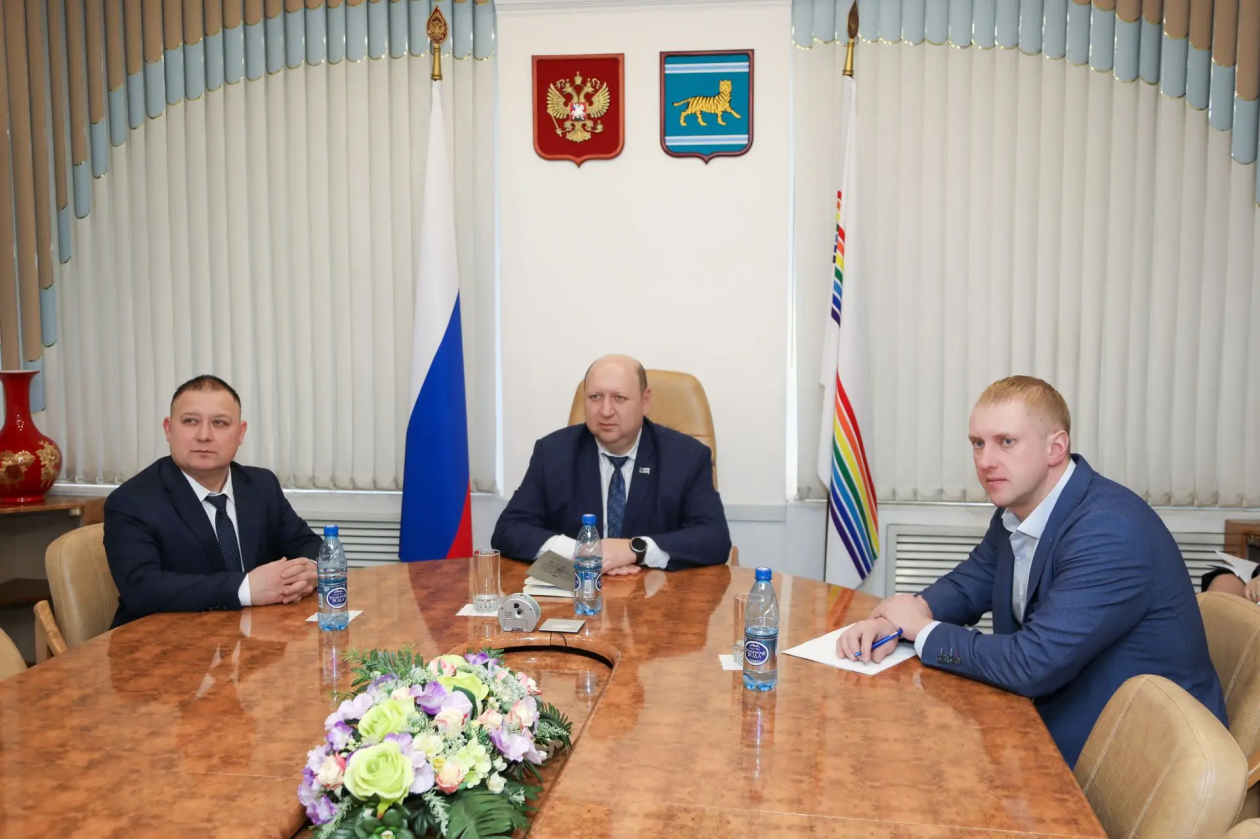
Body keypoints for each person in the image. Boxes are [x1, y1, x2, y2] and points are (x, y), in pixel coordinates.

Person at [837, 376, 1227, 767]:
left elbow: (1031, 664)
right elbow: (970, 585)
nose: (986, 461)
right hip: (1064, 717)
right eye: (978, 443)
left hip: (1142, 755)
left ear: (1056, 447)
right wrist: (897, 620)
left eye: (1006, 442)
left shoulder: (1110, 530)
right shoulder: (1018, 510)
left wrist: (920, 629)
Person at [104, 375, 322, 627]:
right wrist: (246, 588)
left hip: (253, 636)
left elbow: (309, 544)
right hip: (162, 639)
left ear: (240, 433)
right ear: (168, 429)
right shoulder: (132, 500)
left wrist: (307, 571)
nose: (204, 435)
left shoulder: (261, 485)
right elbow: (141, 588)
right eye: (190, 421)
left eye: (219, 423)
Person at [491, 355, 731, 574]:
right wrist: (583, 551)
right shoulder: (553, 453)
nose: (605, 411)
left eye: (619, 398)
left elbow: (714, 538)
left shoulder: (686, 457)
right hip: (577, 593)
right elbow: (509, 529)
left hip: (656, 597)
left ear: (645, 401)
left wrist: (635, 549)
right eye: (595, 397)